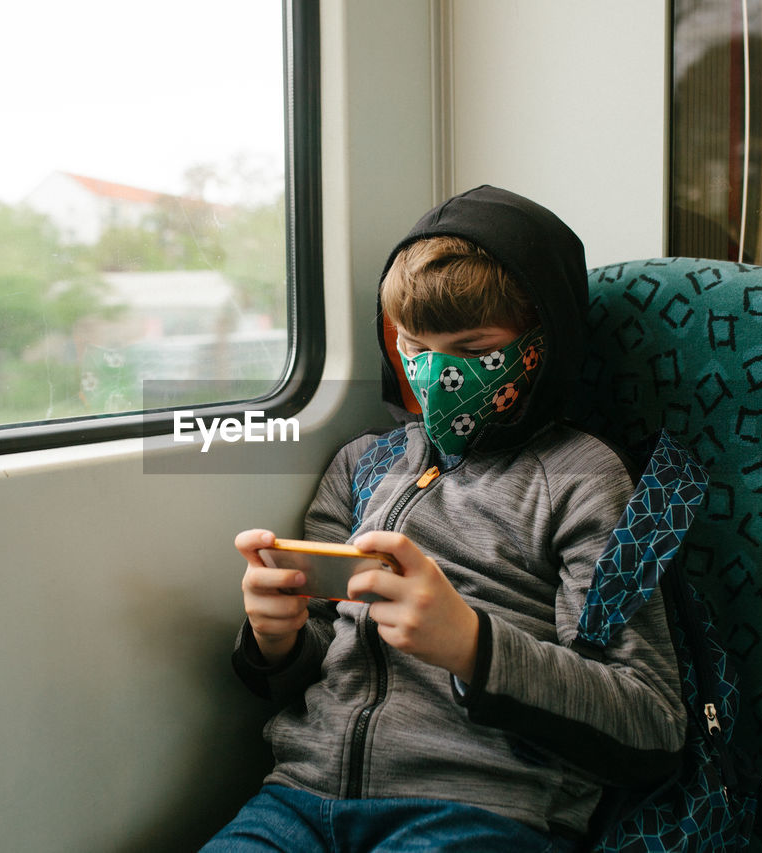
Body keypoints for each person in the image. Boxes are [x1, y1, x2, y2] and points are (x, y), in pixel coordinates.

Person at [204, 186, 686, 852]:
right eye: (415, 347)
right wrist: (275, 636)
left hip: (478, 810)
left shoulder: (583, 476)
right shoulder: (363, 465)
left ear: (545, 344)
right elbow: (320, 656)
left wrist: (472, 645)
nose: (437, 374)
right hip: (298, 798)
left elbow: (650, 718)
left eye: (472, 347)